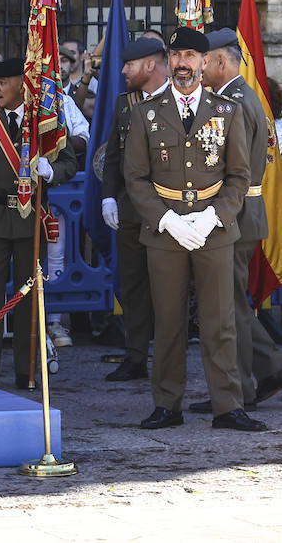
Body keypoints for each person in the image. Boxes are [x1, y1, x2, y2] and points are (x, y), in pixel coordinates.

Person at [123, 26, 265, 432]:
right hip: (165, 231)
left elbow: (240, 176)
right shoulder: (144, 113)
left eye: (191, 57)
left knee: (220, 322)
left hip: (214, 230)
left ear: (205, 62)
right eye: (177, 56)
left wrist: (212, 217)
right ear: (168, 63)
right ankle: (167, 404)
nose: (183, 64)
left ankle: (228, 406)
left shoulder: (227, 111)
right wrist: (166, 219)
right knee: (168, 323)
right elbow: (135, 177)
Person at [0, 58, 79, 388]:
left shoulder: (44, 121)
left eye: (3, 82)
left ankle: (27, 369)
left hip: (31, 220)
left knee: (30, 297)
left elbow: (69, 161)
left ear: (21, 84)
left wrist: (52, 171)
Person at [197, 29, 282, 410]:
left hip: (234, 216)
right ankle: (270, 368)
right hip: (246, 215)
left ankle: (239, 391)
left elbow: (220, 165)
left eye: (203, 61)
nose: (197, 69)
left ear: (220, 61)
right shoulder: (243, 97)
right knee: (234, 303)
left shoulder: (232, 103)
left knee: (228, 308)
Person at [99, 36, 170, 382]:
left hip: (170, 210)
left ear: (150, 65)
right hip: (130, 210)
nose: (123, 70)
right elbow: (114, 154)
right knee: (133, 284)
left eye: (130, 64)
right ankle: (137, 355)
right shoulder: (125, 104)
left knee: (171, 288)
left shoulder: (181, 100)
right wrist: (108, 196)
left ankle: (172, 362)